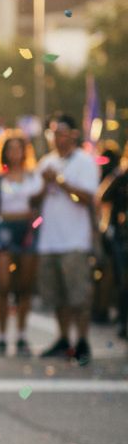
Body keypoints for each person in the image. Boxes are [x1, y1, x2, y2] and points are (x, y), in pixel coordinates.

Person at [32, 113, 99, 366]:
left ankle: (82, 341)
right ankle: (63, 339)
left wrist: (59, 181)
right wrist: (43, 186)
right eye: (52, 133)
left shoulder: (85, 161)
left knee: (78, 295)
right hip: (50, 239)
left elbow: (86, 198)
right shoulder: (46, 162)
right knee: (56, 295)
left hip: (75, 241)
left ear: (72, 134)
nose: (56, 138)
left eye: (61, 133)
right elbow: (34, 202)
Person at [0, 130, 41, 356]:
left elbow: (38, 206)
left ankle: (21, 335)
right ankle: (0, 335)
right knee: (4, 284)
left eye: (19, 148)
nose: (15, 153)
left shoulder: (33, 177)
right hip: (4, 230)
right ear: (5, 153)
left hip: (27, 230)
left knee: (24, 286)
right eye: (11, 149)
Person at [98, 141, 128, 341]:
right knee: (124, 280)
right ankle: (123, 322)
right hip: (121, 235)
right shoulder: (120, 175)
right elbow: (103, 196)